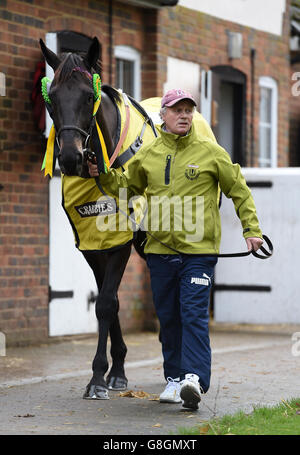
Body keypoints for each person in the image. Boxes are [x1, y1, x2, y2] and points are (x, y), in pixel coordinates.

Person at [88, 89, 263, 410]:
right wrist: (103, 177)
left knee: (192, 314)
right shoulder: (149, 154)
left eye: (188, 110)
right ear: (163, 116)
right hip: (159, 252)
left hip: (199, 253)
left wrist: (252, 230)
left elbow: (239, 190)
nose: (184, 115)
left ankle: (193, 378)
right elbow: (127, 188)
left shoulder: (212, 152)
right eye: (177, 110)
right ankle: (174, 379)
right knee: (168, 317)